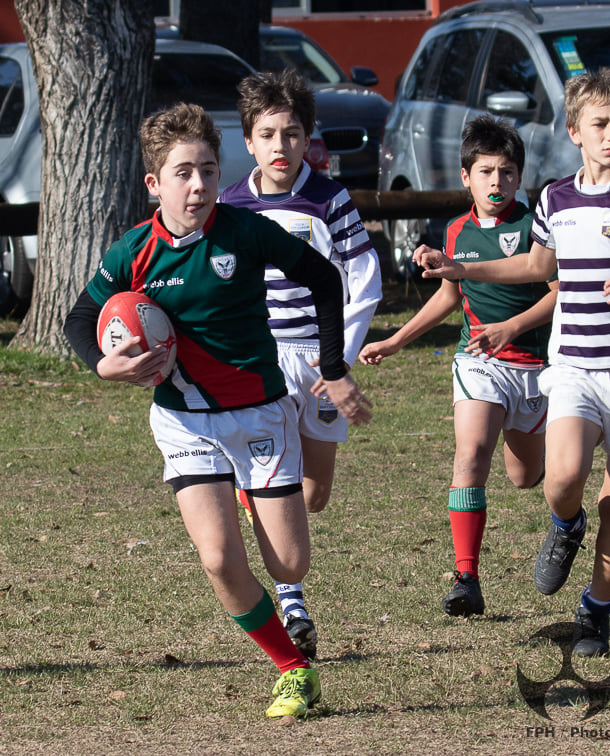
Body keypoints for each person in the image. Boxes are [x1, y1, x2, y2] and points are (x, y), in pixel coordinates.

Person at [63, 103, 372, 719]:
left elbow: (323, 279)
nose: (199, 184)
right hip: (183, 419)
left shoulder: (244, 231)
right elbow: (77, 320)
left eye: (207, 169)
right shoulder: (133, 252)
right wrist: (106, 365)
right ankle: (292, 668)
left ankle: (250, 496)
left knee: (289, 562)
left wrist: (334, 369)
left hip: (259, 413)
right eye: (183, 173)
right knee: (219, 560)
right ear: (154, 184)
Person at [414, 67, 610, 656]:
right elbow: (536, 268)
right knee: (562, 479)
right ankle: (567, 525)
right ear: (575, 129)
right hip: (571, 364)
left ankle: (596, 609)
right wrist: (462, 269)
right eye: (600, 124)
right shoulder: (554, 197)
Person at [358, 114, 557, 617]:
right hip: (477, 360)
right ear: (465, 177)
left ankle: (557, 486)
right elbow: (450, 295)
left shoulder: (537, 226)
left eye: (508, 172)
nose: (497, 182)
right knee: (470, 453)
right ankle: (465, 576)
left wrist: (513, 327)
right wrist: (397, 339)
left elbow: (558, 294)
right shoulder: (455, 230)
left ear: (520, 178)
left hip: (532, 366)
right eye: (486, 171)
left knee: (523, 477)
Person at [219, 70, 383, 659]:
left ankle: (251, 497)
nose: (280, 146)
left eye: (291, 133)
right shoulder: (231, 204)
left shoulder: (328, 199)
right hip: (262, 366)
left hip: (320, 361)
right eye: (268, 134)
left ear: (307, 137)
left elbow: (363, 279)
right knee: (277, 480)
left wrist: (336, 358)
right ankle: (292, 600)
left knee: (313, 494)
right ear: (249, 142)